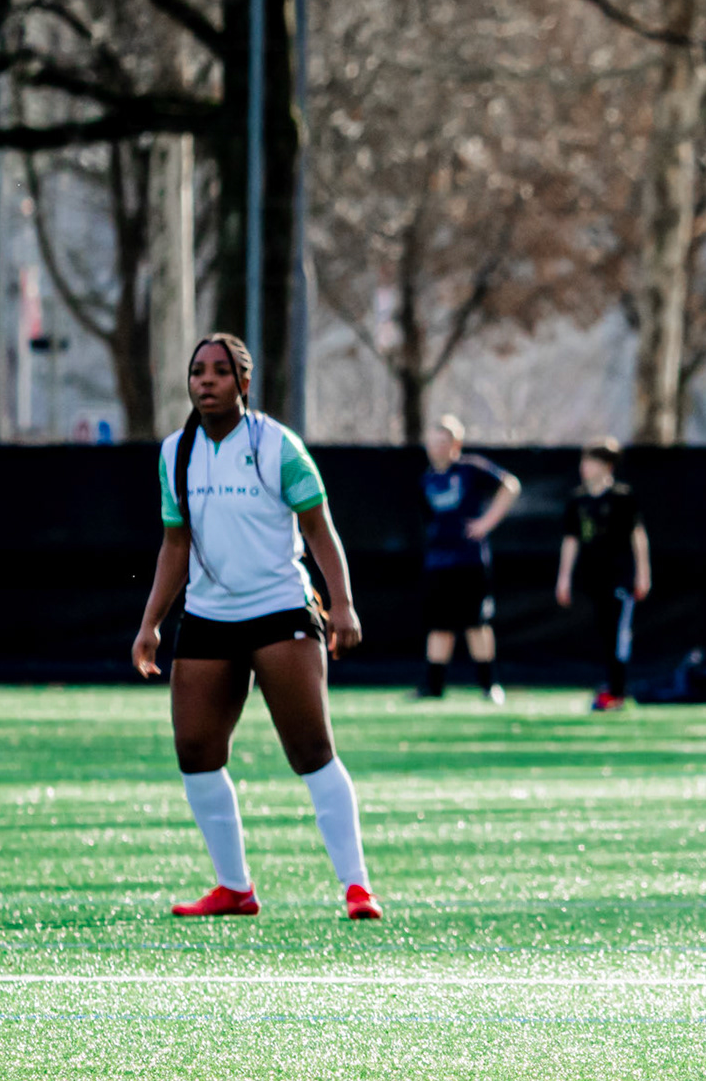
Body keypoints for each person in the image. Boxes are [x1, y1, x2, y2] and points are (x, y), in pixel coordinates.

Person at [131, 333, 380, 921]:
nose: (206, 381)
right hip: (209, 615)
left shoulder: (277, 446)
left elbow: (320, 529)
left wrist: (341, 606)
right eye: (197, 372)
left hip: (279, 611)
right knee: (195, 750)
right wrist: (151, 624)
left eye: (220, 372)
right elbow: (174, 544)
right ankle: (234, 888)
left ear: (244, 383)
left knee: (311, 750)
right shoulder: (175, 452)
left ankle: (357, 886)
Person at [418, 415, 520, 703]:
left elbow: (511, 485)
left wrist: (486, 523)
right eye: (433, 442)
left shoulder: (470, 468)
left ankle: (490, 684)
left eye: (443, 442)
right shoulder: (426, 479)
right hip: (438, 562)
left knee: (477, 622)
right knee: (439, 624)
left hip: (469, 561)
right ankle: (433, 686)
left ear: (456, 444)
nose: (436, 448)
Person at [556, 439, 652, 710]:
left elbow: (637, 534)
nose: (584, 467)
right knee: (604, 633)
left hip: (620, 576)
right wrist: (564, 577)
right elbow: (571, 539)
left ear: (607, 466)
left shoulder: (622, 497)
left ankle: (617, 691)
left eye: (591, 462)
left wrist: (643, 573)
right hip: (593, 577)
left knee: (619, 634)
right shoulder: (578, 499)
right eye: (583, 461)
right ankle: (611, 685)